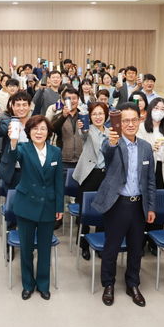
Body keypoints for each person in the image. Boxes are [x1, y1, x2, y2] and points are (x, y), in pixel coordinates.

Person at [91, 103, 156, 307]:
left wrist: (151, 207)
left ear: (140, 120)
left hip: (139, 206)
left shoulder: (145, 147)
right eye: (125, 120)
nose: (129, 124)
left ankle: (132, 284)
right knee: (111, 248)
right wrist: (111, 142)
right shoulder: (113, 142)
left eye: (133, 120)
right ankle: (108, 284)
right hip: (117, 204)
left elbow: (151, 181)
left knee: (136, 249)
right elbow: (107, 155)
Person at [5, 115, 64, 300]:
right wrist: (13, 142)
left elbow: (58, 182)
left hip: (48, 205)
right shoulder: (23, 149)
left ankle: (43, 284)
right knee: (27, 248)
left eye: (43, 129)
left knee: (45, 248)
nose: (39, 132)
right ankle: (28, 284)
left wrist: (60, 206)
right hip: (26, 205)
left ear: (49, 132)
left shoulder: (55, 152)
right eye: (35, 129)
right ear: (28, 132)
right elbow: (11, 158)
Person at [137, 98, 164, 255]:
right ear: (150, 109)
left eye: (162, 109)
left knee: (158, 205)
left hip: (162, 169)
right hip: (146, 169)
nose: (159, 111)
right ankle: (140, 241)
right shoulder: (141, 128)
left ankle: (154, 242)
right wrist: (150, 149)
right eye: (156, 108)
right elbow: (139, 151)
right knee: (144, 204)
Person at [73, 102, 110, 260]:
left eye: (101, 113)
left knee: (104, 211)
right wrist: (82, 126)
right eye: (94, 114)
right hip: (89, 174)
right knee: (85, 212)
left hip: (105, 174)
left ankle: (101, 243)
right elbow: (83, 133)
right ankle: (83, 245)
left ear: (106, 115)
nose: (98, 117)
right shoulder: (87, 129)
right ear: (90, 116)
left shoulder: (111, 132)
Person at [50, 87, 85, 170]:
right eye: (68, 99)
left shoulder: (84, 116)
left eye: (74, 98)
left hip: (81, 159)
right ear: (63, 101)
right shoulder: (57, 116)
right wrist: (63, 116)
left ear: (78, 100)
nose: (72, 101)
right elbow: (53, 129)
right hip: (63, 159)